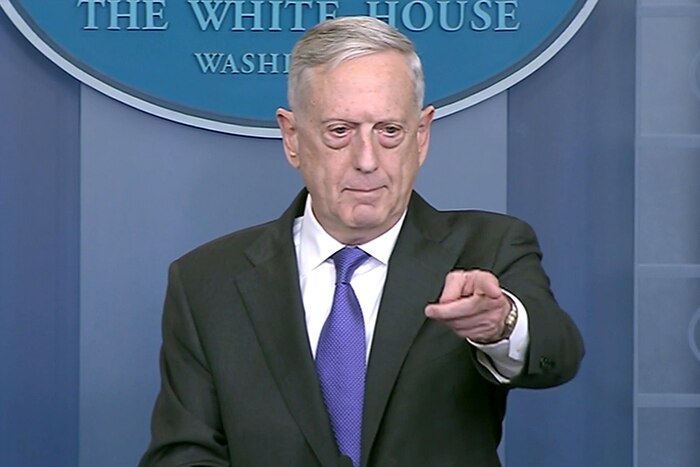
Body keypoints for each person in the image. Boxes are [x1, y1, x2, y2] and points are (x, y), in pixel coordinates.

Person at [139, 16, 584, 467]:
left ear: (422, 135)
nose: (367, 160)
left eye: (389, 131)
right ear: (292, 138)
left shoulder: (488, 248)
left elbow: (560, 352)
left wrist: (501, 324)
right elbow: (182, 454)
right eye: (339, 131)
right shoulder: (207, 282)